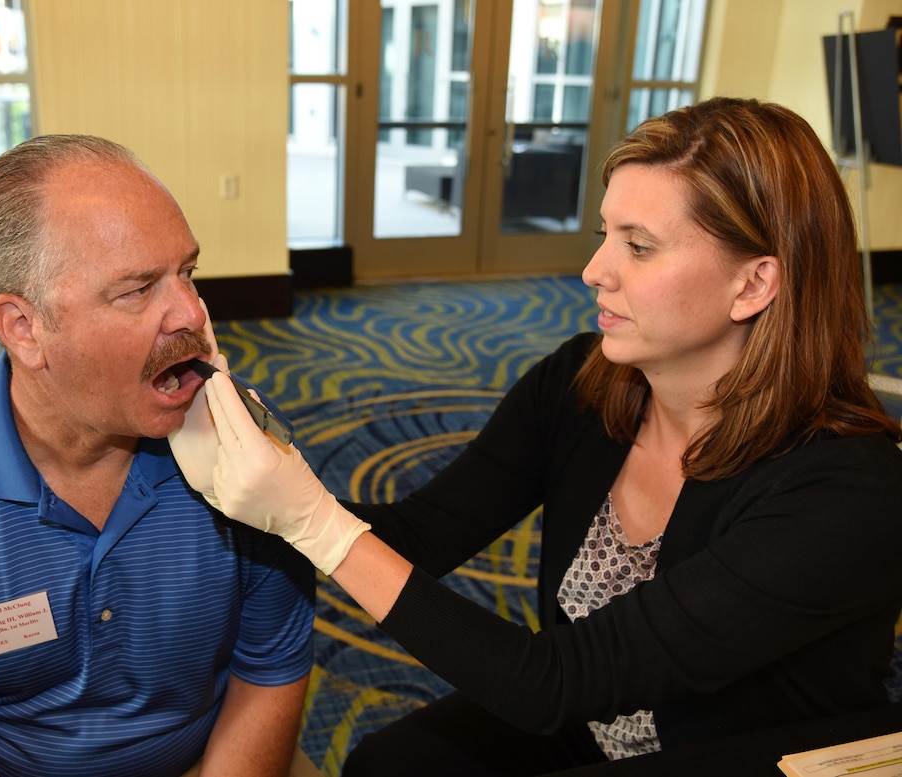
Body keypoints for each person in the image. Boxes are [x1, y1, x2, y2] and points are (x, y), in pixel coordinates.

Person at [174, 97, 902, 776]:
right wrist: (251, 482)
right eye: (604, 235)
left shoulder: (846, 491)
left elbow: (553, 680)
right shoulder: (587, 382)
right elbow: (420, 535)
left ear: (753, 285)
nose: (593, 271)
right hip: (587, 714)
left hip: (734, 752)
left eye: (639, 247)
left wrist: (315, 521)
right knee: (380, 768)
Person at [0, 135, 319, 777]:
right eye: (137, 290)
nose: (193, 313)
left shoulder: (248, 453)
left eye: (187, 272)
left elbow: (269, 672)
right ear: (24, 329)